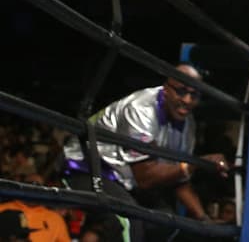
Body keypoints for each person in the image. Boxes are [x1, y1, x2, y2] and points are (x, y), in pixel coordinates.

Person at [60, 64, 229, 242]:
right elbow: (146, 177)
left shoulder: (187, 124)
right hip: (87, 167)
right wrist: (194, 164)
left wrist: (204, 220)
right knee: (128, 220)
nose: (187, 100)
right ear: (166, 89)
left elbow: (179, 177)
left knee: (165, 222)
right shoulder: (141, 109)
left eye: (194, 95)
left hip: (125, 179)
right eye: (181, 91)